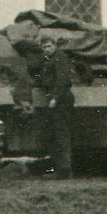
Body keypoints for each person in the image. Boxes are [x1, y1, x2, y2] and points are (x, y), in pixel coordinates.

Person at [36, 35, 75, 179]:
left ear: (55, 46)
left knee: (61, 134)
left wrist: (54, 98)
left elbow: (62, 79)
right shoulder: (48, 60)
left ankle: (64, 171)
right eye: (44, 47)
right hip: (54, 98)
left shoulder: (60, 57)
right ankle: (59, 168)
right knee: (54, 134)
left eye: (49, 46)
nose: (47, 49)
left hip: (61, 98)